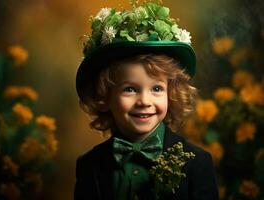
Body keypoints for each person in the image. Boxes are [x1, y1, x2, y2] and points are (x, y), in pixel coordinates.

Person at [74, 2, 219, 200]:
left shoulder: (197, 163)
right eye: (130, 89)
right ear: (105, 96)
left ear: (171, 94)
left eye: (157, 89)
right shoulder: (89, 166)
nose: (144, 101)